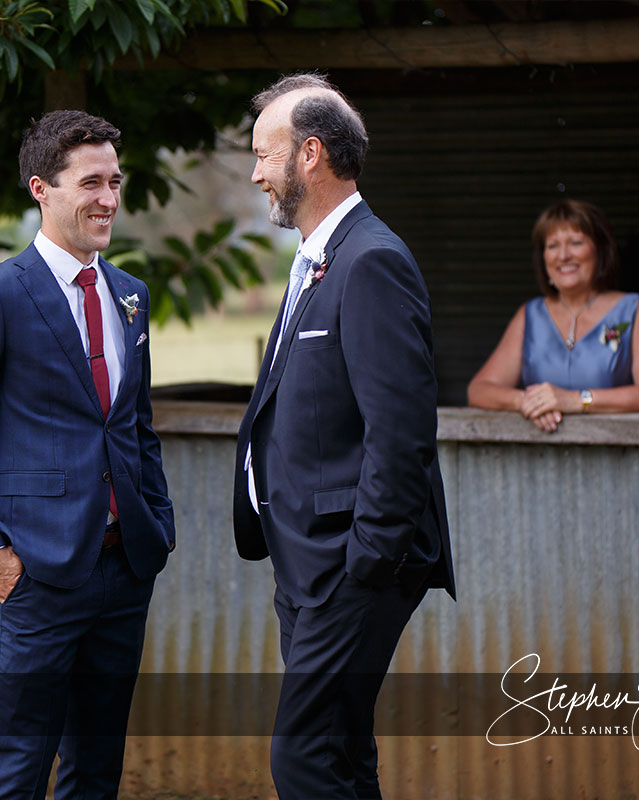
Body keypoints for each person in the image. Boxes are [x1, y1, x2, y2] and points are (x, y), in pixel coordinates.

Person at [0, 110, 174, 800]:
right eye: (91, 182)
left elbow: (135, 426)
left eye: (115, 181)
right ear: (42, 189)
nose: (108, 199)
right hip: (32, 576)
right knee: (19, 770)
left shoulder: (130, 296)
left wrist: (158, 520)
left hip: (125, 569)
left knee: (96, 770)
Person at [232, 73, 455, 800]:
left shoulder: (373, 260)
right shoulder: (318, 257)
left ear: (311, 156)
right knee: (341, 753)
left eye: (265, 153)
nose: (255, 171)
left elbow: (401, 430)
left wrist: (366, 561)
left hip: (349, 567)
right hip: (306, 563)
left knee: (299, 759)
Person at [466, 199, 639, 431]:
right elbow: (478, 390)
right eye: (553, 246)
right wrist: (530, 402)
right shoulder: (530, 314)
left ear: (600, 250)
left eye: (576, 242)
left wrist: (576, 400)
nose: (563, 255)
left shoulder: (635, 309)